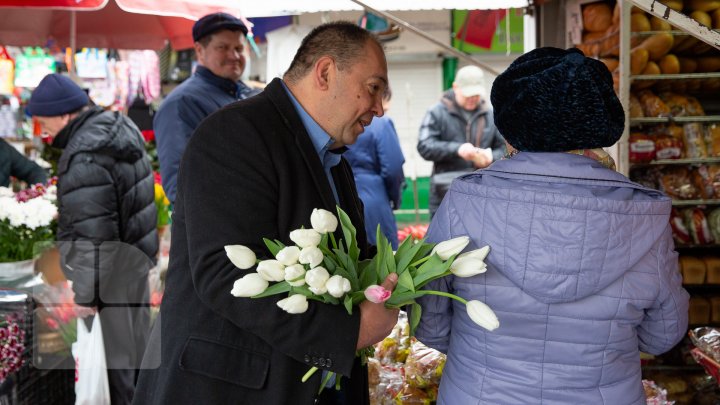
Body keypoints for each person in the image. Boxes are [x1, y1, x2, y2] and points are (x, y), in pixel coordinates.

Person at [133, 22, 400, 405]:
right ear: (325, 72)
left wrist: (399, 279)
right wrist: (348, 332)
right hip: (230, 388)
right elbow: (224, 274)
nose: (377, 108)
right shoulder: (234, 133)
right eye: (373, 88)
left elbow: (347, 255)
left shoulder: (330, 152)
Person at [415, 47, 689, 404]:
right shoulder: (642, 215)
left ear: (511, 131)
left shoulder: (465, 202)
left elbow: (428, 320)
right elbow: (662, 335)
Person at [28, 73, 158, 405]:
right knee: (135, 368)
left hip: (111, 283)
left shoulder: (85, 154)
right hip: (133, 270)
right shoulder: (118, 131)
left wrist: (87, 292)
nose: (45, 132)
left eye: (45, 122)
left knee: (115, 379)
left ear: (62, 114)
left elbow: (94, 234)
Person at [153, 12, 260, 203]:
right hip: (223, 226)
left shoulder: (247, 94)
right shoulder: (182, 103)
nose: (234, 55)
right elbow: (180, 187)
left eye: (238, 48)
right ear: (199, 51)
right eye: (223, 47)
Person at [417, 65, 506, 217]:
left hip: (482, 194)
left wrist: (490, 157)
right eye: (468, 94)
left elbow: (506, 149)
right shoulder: (437, 112)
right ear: (455, 87)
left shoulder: (491, 114)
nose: (472, 99)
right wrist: (457, 149)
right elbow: (424, 146)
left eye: (476, 95)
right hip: (445, 195)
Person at [343, 89, 405, 249]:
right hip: (373, 199)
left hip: (341, 194)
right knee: (383, 260)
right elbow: (393, 167)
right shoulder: (381, 123)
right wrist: (395, 198)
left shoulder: (338, 120)